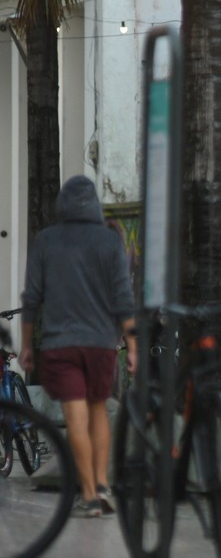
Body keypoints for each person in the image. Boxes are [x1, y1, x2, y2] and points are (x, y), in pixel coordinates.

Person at [19, 175, 137, 519]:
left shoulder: (46, 240)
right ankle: (100, 485)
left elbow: (31, 298)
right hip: (101, 345)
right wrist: (131, 345)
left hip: (61, 345)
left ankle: (88, 495)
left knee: (76, 418)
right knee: (98, 410)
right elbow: (123, 297)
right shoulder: (110, 240)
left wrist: (27, 345)